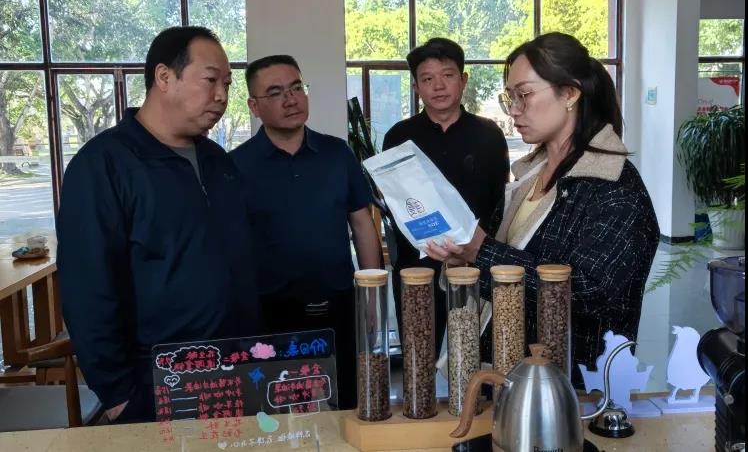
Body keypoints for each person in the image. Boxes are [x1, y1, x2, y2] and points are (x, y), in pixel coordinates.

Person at [425, 32, 660, 387]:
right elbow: (501, 261)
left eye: (525, 94)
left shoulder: (615, 187)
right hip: (508, 377)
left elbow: (590, 292)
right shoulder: (528, 177)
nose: (514, 110)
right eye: (510, 97)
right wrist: (463, 258)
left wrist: (481, 252)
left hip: (572, 391)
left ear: (570, 93)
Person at [57, 26, 258, 423]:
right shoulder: (104, 166)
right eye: (211, 80)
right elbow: (87, 290)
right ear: (164, 77)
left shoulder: (218, 162)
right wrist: (118, 395)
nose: (222, 95)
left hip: (234, 372)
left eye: (227, 84)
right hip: (156, 384)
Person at [230, 55, 381, 410]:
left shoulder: (337, 154)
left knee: (347, 403)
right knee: (280, 412)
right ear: (254, 106)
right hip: (269, 314)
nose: (291, 99)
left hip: (336, 305)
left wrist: (372, 296)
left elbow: (362, 224)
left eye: (297, 87)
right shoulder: (236, 166)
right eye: (275, 92)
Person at [382, 38, 510, 356]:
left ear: (463, 80)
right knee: (419, 351)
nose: (438, 86)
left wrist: (475, 251)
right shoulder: (398, 137)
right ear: (416, 87)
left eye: (448, 75)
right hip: (417, 268)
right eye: (427, 79)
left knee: (473, 352)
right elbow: (396, 205)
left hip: (475, 265)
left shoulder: (490, 134)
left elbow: (500, 203)